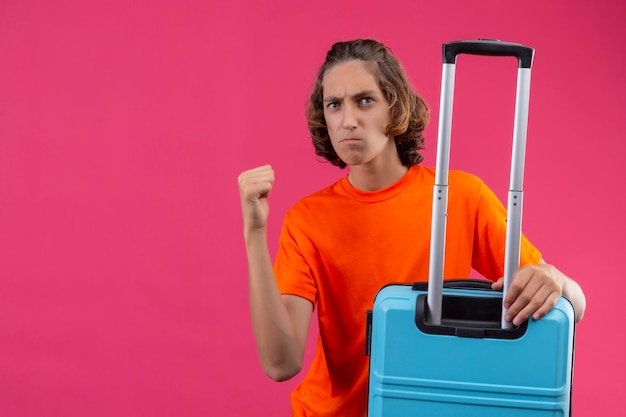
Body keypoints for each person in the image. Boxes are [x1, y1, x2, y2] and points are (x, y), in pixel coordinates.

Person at [237, 39, 586, 417]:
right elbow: (280, 364)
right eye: (333, 105)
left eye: (365, 100)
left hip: (424, 403)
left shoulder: (462, 197)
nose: (347, 120)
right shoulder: (307, 219)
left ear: (395, 108)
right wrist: (254, 234)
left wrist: (555, 280)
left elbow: (574, 304)